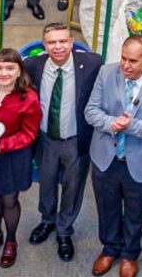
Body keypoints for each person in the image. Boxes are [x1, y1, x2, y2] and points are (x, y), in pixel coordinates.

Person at [85, 35, 142, 277]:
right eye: (123, 58)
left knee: (136, 212)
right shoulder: (106, 73)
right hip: (106, 156)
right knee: (107, 206)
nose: (126, 65)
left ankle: (130, 254)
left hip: (141, 161)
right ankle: (110, 248)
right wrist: (112, 124)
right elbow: (91, 111)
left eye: (133, 61)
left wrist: (130, 125)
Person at [28, 25, 102, 260]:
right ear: (44, 45)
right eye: (51, 42)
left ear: (72, 43)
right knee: (46, 183)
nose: (58, 47)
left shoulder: (92, 63)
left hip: (76, 140)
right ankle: (47, 220)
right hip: (46, 139)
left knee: (73, 187)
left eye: (62, 41)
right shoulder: (32, 66)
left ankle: (64, 230)